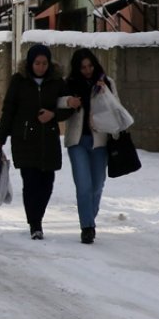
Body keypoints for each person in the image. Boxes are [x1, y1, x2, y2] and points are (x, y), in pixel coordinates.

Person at [0, 44, 74, 240]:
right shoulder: (19, 81)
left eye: (44, 63)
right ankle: (35, 224)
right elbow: (9, 111)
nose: (40, 67)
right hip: (24, 139)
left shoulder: (57, 82)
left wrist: (53, 115)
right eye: (37, 63)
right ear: (30, 63)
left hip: (48, 139)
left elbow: (69, 106)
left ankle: (38, 217)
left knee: (47, 183)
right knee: (30, 182)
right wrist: (0, 138)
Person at [61, 49, 115, 245]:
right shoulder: (69, 84)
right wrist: (69, 101)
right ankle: (87, 227)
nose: (87, 70)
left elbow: (116, 107)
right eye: (83, 67)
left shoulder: (106, 82)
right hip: (77, 141)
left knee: (97, 184)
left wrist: (105, 92)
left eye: (90, 66)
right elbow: (57, 103)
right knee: (83, 185)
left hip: (100, 141)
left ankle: (89, 217)